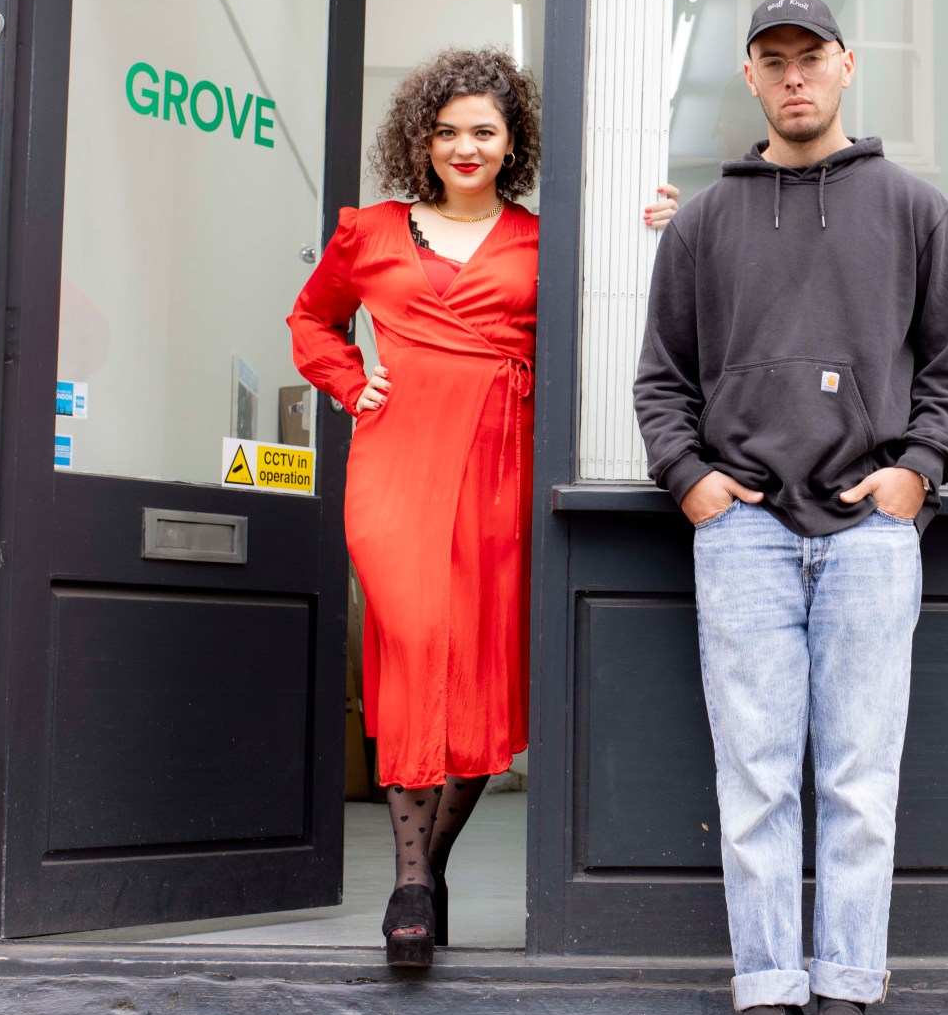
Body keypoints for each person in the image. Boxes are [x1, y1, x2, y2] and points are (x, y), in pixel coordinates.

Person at [634, 0, 948, 1015]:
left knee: (858, 779)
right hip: (740, 532)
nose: (793, 78)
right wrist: (689, 481)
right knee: (757, 777)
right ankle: (767, 994)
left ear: (845, 67)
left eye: (810, 58)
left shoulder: (914, 211)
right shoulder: (701, 224)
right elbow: (660, 381)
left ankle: (844, 997)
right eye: (772, 61)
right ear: (748, 77)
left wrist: (912, 476)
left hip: (869, 534)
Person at [289, 48, 676, 968]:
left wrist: (660, 225)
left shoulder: (545, 239)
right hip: (397, 464)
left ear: (512, 144)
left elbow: (618, 297)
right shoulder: (370, 231)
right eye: (449, 130)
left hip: (503, 465)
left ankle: (432, 870)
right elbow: (312, 322)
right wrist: (352, 381)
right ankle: (409, 877)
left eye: (485, 132)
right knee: (414, 645)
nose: (465, 147)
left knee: (484, 670)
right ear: (422, 138)